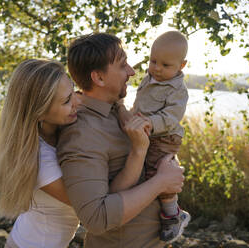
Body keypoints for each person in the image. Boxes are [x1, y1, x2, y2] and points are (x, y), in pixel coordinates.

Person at [0, 59, 154, 248]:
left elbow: (101, 98)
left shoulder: (59, 126)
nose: (78, 100)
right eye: (67, 100)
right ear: (40, 113)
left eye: (73, 91)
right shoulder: (41, 161)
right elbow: (101, 204)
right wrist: (141, 155)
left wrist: (120, 109)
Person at [57, 33, 185, 248]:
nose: (133, 72)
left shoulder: (116, 113)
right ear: (99, 78)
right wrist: (161, 182)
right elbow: (96, 219)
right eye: (123, 65)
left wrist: (119, 107)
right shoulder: (82, 134)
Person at [117, 30, 191, 243]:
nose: (157, 68)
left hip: (164, 136)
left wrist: (151, 122)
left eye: (166, 65)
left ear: (181, 65)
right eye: (153, 61)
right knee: (138, 167)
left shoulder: (178, 90)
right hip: (147, 131)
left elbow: (171, 118)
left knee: (155, 172)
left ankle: (173, 214)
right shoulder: (150, 78)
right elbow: (140, 103)